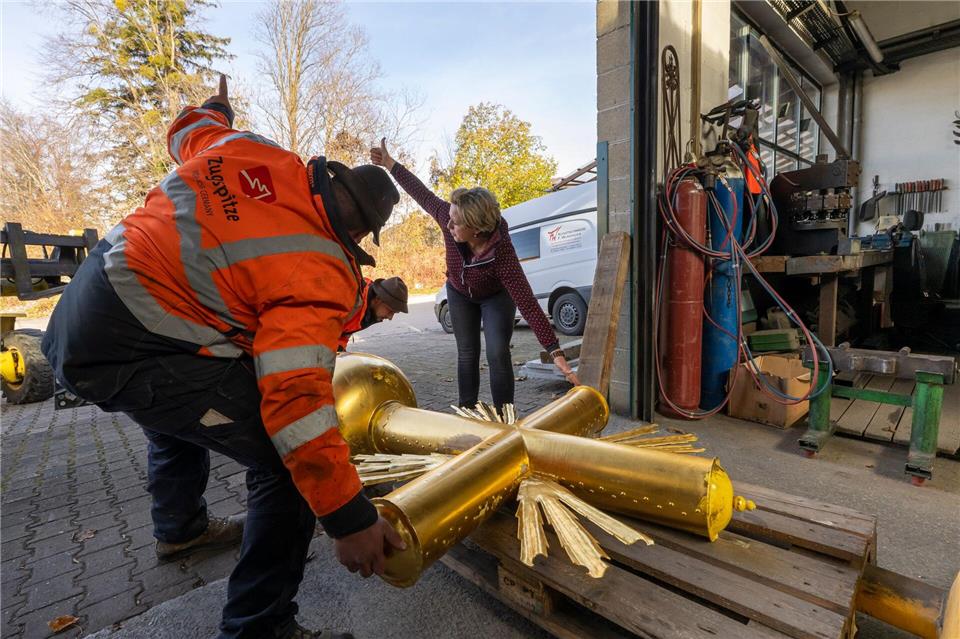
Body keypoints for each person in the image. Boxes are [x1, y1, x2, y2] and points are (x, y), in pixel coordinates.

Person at [42, 75, 404, 639]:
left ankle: (181, 528)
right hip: (132, 346)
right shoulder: (321, 267)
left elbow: (188, 128)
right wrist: (347, 515)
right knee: (285, 464)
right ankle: (260, 627)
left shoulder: (251, 149)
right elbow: (295, 404)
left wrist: (217, 108)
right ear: (360, 233)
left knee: (178, 409)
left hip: (82, 309)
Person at [370, 139, 579, 413]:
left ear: (476, 229)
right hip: (459, 293)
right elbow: (422, 193)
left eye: (455, 223)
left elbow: (527, 303)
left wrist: (555, 352)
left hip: (495, 297)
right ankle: (467, 412)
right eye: (449, 218)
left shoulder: (502, 253)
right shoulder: (448, 216)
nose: (448, 224)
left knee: (497, 352)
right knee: (467, 353)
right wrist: (390, 164)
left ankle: (504, 416)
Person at [338, 276, 409, 351]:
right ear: (378, 299)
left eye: (395, 312)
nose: (390, 317)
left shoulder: (370, 311)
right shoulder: (352, 299)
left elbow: (345, 332)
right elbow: (329, 326)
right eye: (390, 310)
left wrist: (340, 349)